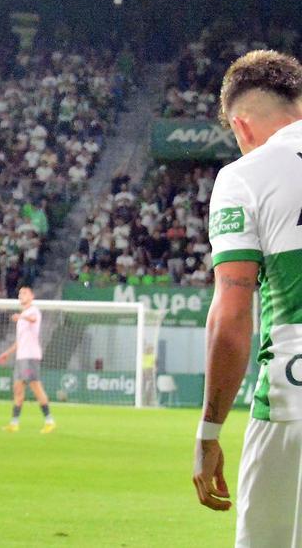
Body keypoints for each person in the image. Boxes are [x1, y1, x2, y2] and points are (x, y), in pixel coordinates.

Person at [191, 50, 302, 546]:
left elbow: (232, 317)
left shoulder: (244, 176)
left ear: (242, 125)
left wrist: (209, 433)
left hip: (290, 400)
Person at [0, 286, 55, 433]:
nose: (21, 295)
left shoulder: (33, 310)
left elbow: (34, 319)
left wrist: (21, 317)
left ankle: (49, 421)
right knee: (17, 390)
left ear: (32, 296)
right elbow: (19, 341)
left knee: (35, 387)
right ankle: (14, 423)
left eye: (24, 293)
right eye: (19, 293)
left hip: (31, 357)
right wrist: (6, 353)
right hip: (20, 357)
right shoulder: (22, 316)